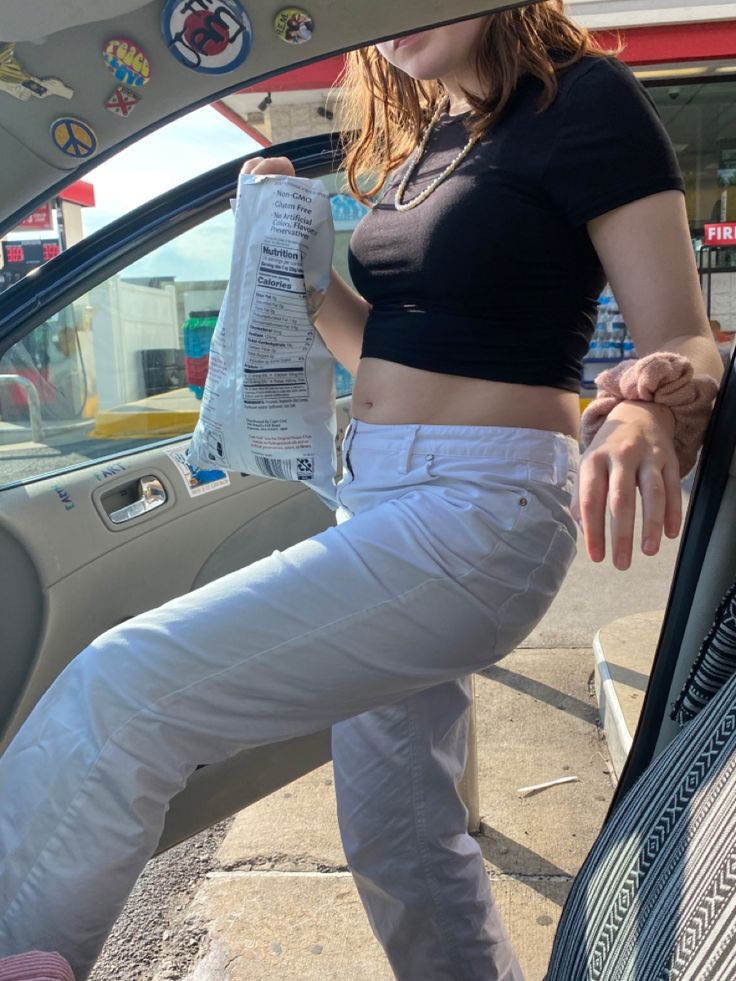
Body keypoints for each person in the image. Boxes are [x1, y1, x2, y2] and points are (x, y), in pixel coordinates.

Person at [0, 4, 724, 980]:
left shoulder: (586, 99)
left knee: (123, 693)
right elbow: (371, 348)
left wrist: (643, 408)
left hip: (478, 510)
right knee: (403, 842)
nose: (378, 20)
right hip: (379, 494)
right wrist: (287, 246)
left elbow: (679, 337)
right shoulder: (435, 135)